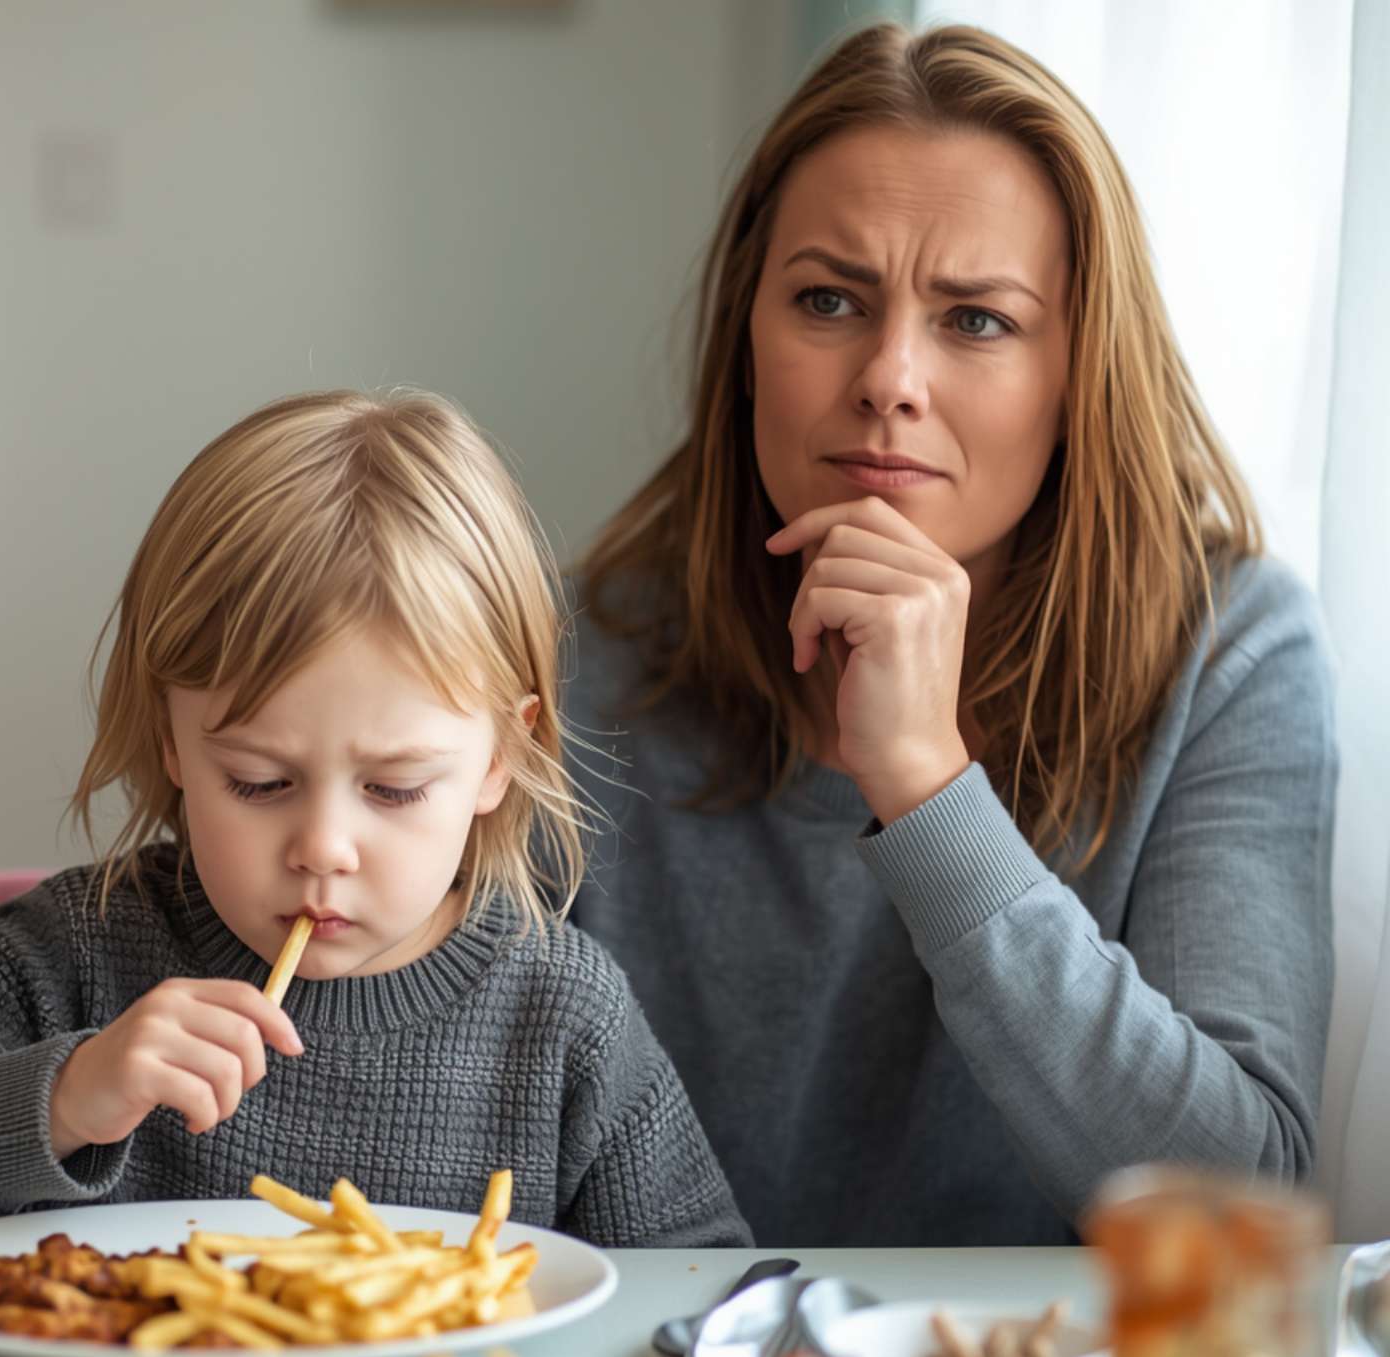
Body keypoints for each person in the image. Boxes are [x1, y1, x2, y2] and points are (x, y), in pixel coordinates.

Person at [566, 22, 1336, 1246]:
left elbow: (1237, 1205)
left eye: (977, 319)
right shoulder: (569, 659)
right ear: (745, 342)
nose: (890, 377)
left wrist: (928, 788)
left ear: (1079, 373)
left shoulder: (1230, 654)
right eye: (828, 300)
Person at [0, 389, 751, 1257]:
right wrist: (63, 1096)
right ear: (173, 744)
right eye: (259, 782)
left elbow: (709, 1289)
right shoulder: (78, 953)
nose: (324, 848)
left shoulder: (563, 1014)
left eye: (395, 788)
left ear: (499, 759)